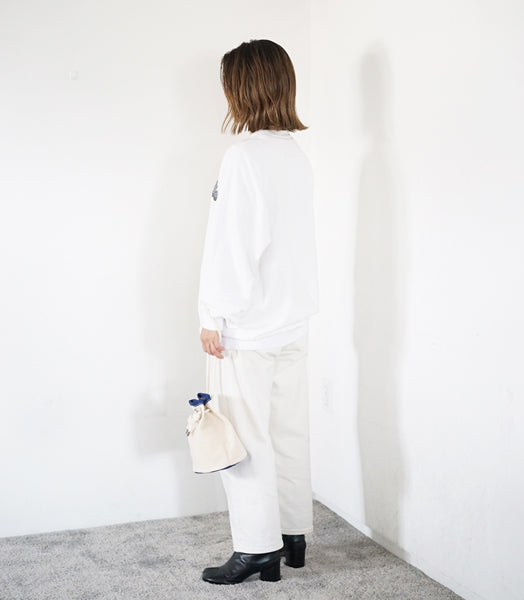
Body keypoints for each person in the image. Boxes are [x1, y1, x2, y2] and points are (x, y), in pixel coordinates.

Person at [197, 39, 319, 585]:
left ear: (241, 88)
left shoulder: (243, 157)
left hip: (247, 328)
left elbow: (233, 248)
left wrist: (213, 316)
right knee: (288, 432)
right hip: (292, 321)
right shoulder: (294, 155)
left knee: (244, 441)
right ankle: (293, 535)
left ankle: (256, 548)